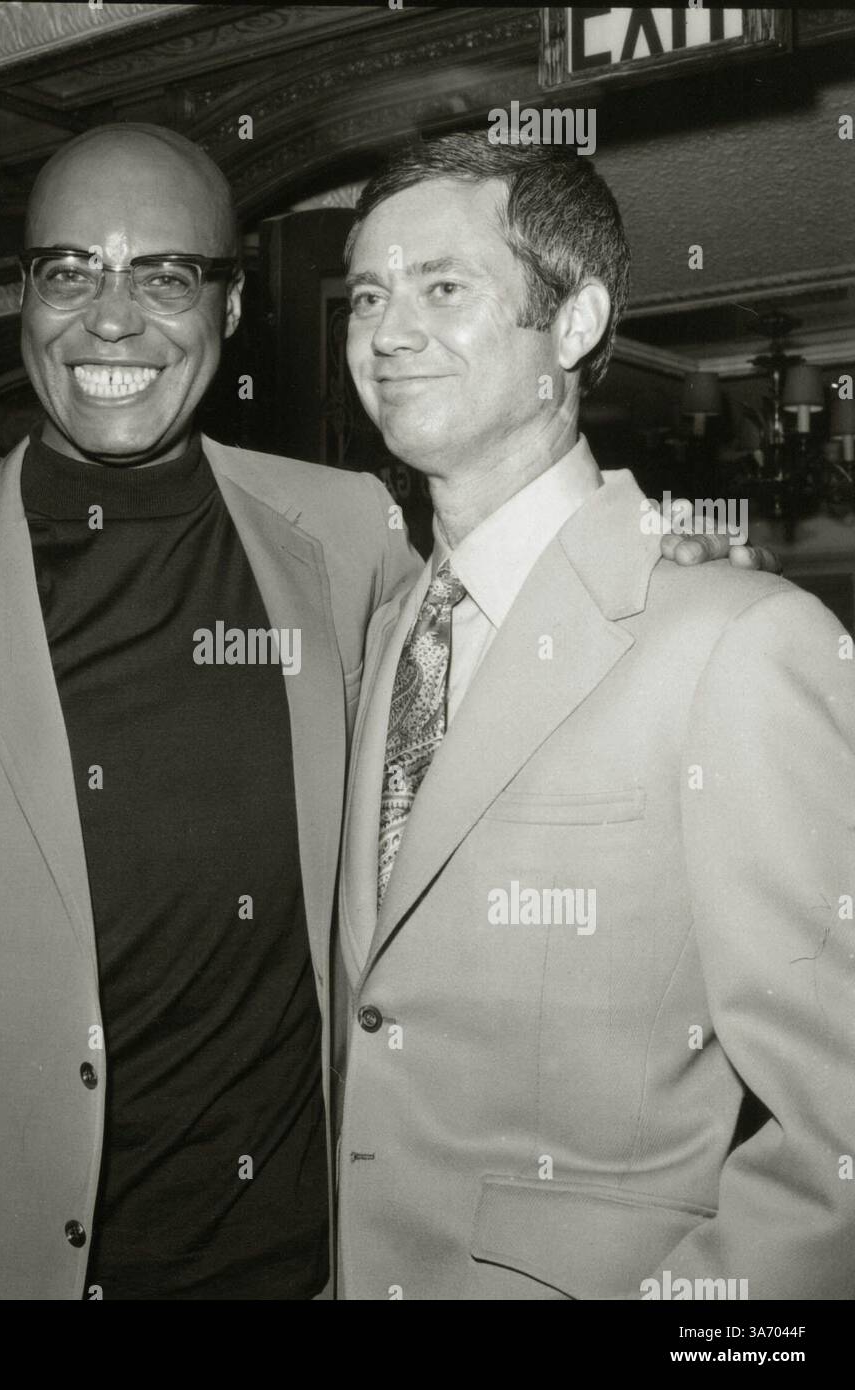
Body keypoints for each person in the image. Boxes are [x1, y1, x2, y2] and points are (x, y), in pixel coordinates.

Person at [0, 122, 757, 1301]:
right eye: (69, 273)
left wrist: (664, 555)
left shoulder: (345, 530)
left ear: (229, 307)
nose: (112, 320)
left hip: (290, 1262)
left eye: (165, 277)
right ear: (22, 296)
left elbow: (512, 631)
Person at [335, 132, 855, 1300]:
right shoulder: (388, 635)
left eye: (442, 288)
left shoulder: (740, 640)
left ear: (572, 325)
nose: (386, 332)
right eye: (366, 295)